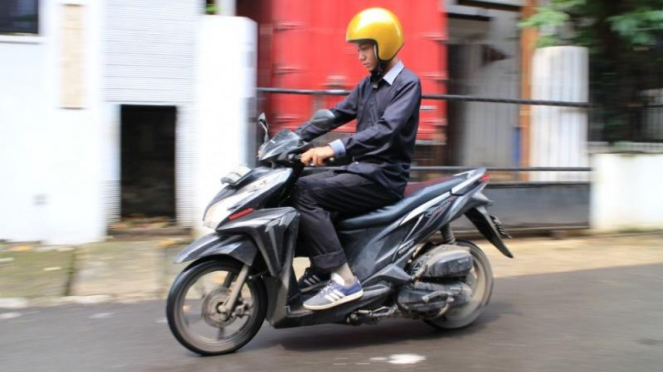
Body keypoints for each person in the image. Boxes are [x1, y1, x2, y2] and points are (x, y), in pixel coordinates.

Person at [292, 7, 422, 310]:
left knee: (306, 193)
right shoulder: (367, 85)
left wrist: (332, 149)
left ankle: (343, 279)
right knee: (298, 185)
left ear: (384, 44)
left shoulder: (408, 84)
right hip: (360, 170)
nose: (360, 55)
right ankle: (321, 269)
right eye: (358, 49)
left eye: (365, 48)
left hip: (384, 176)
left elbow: (385, 131)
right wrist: (292, 138)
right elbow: (335, 114)